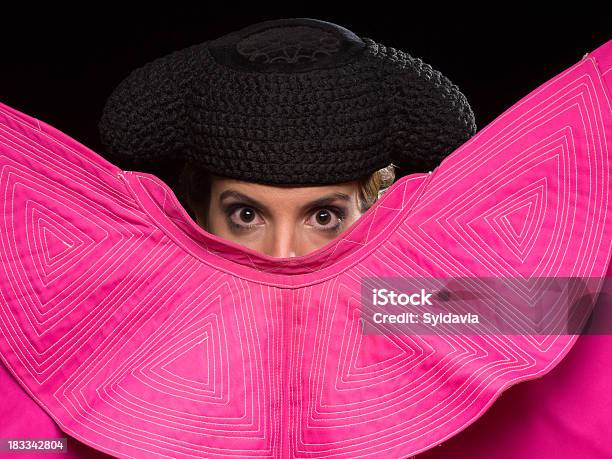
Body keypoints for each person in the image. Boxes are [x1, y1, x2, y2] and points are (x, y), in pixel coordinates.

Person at [97, 17, 476, 258]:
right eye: (245, 216)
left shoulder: (397, 306)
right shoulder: (148, 319)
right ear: (197, 209)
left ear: (376, 213)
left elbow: (531, 309)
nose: (282, 256)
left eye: (324, 217)